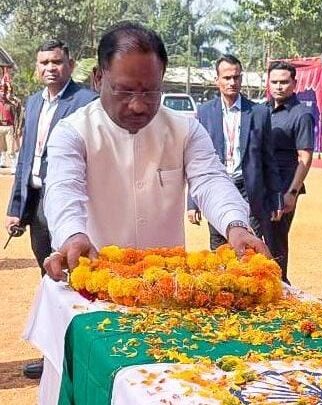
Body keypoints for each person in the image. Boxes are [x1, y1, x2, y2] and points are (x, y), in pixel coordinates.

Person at [43, 23, 267, 284]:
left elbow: (211, 180)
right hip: (97, 280)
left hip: (169, 285)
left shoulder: (185, 129)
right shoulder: (72, 132)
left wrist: (236, 225)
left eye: (151, 92)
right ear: (98, 78)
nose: (138, 106)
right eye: (124, 91)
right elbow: (63, 190)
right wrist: (72, 235)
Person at [4, 40, 97, 380]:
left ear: (69, 64)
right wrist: (17, 207)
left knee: (76, 281)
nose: (50, 68)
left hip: (68, 205)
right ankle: (53, 358)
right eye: (43, 62)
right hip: (37, 204)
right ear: (36, 66)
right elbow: (26, 158)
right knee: (49, 281)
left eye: (57, 61)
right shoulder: (32, 103)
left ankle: (81, 359)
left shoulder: (86, 101)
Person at [186, 54, 283, 250]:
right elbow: (195, 159)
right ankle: (221, 282)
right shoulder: (205, 112)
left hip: (250, 192)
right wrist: (192, 202)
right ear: (217, 80)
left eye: (236, 77)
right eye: (227, 78)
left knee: (248, 246)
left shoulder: (259, 112)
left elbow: (268, 159)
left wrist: (276, 197)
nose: (232, 82)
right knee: (219, 246)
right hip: (217, 188)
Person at [266, 61, 314, 282]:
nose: (278, 86)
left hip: (284, 188)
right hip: (259, 186)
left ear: (294, 84)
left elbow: (305, 157)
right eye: (274, 81)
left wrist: (292, 193)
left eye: (284, 82)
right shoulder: (261, 110)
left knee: (276, 244)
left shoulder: (301, 114)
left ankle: (281, 290)